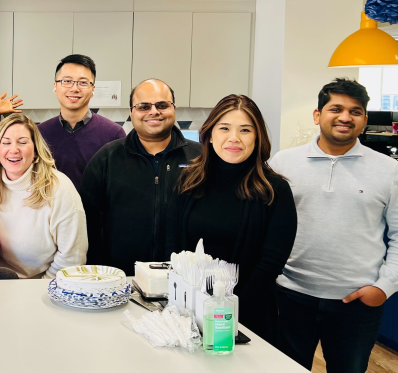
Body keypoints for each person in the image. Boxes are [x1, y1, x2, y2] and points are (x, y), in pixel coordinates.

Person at [270, 78, 398, 373]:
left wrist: (384, 288)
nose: (345, 117)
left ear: (364, 120)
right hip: (290, 295)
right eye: (335, 109)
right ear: (317, 115)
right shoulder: (283, 163)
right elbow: (266, 226)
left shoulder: (389, 171)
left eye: (355, 111)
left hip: (356, 303)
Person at [166, 94, 296, 344]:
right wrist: (182, 300)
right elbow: (172, 245)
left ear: (257, 138)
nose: (234, 138)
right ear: (210, 134)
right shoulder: (188, 181)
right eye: (224, 128)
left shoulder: (274, 190)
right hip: (188, 311)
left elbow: (271, 262)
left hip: (249, 316)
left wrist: (232, 313)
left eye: (245, 130)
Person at [81, 79, 202, 275]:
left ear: (174, 109)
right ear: (131, 112)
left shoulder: (200, 159)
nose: (153, 111)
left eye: (162, 105)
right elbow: (88, 222)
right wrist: (101, 270)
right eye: (144, 106)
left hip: (186, 279)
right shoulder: (107, 159)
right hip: (120, 278)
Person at [0, 114, 87, 279]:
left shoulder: (59, 188)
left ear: (35, 152)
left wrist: (39, 289)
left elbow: (72, 257)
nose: (14, 149)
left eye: (22, 142)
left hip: (46, 285)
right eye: (6, 142)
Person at [38, 54, 125, 190]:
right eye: (67, 81)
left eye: (83, 82)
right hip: (51, 211)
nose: (74, 88)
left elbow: (119, 186)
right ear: (55, 87)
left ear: (93, 89)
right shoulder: (39, 133)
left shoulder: (113, 134)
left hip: (95, 211)